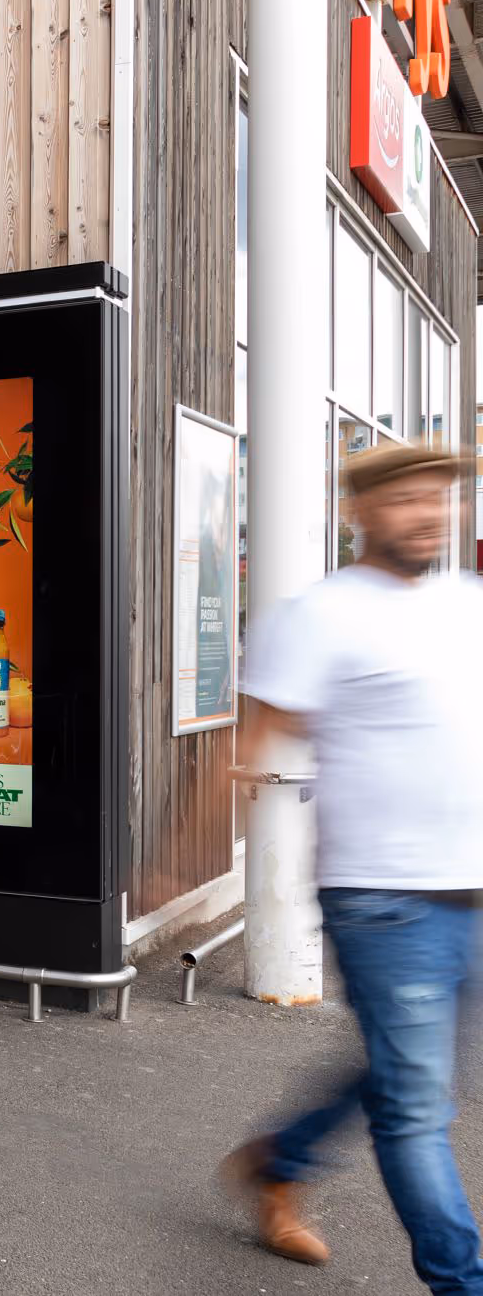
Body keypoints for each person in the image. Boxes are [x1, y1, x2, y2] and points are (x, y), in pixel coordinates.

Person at [223, 443, 483, 1292]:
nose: (430, 514)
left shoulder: (468, 602)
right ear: (361, 511)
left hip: (472, 885)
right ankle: (460, 1279)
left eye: (442, 499)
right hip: (384, 896)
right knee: (415, 1108)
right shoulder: (324, 614)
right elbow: (260, 738)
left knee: (396, 1068)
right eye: (407, 498)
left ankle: (280, 1159)